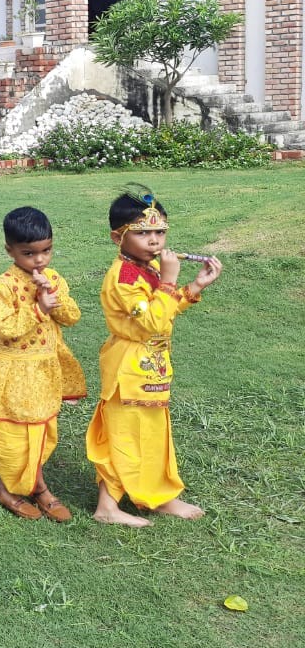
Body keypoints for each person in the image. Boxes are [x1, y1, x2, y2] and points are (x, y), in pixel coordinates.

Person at [86, 186, 222, 527]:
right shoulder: (125, 277)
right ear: (118, 237)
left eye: (160, 231)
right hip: (128, 368)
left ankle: (159, 497)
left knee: (153, 436)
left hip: (152, 368)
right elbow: (151, 321)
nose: (154, 240)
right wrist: (170, 280)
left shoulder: (146, 268)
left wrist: (194, 288)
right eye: (143, 232)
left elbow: (166, 311)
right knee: (123, 438)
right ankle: (107, 506)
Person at [0, 207, 85, 521]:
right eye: (29, 253)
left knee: (44, 432)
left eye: (46, 251)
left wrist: (53, 296)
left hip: (43, 373)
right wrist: (38, 309)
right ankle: (13, 489)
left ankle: (34, 484)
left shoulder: (53, 278)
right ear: (10, 251)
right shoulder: (3, 287)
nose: (40, 260)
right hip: (13, 374)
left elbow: (72, 317)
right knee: (13, 438)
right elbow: (4, 328)